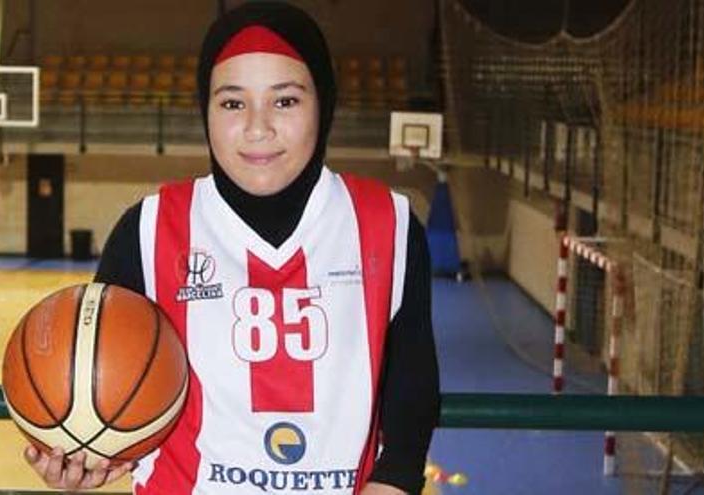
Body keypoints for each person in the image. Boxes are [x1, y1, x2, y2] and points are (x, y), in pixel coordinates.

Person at [24, 3, 440, 494]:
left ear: (322, 104)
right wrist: (86, 450)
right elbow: (101, 380)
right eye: (232, 103)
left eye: (285, 101)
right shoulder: (148, 229)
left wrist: (394, 480)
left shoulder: (388, 225)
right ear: (205, 110)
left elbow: (412, 383)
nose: (257, 127)